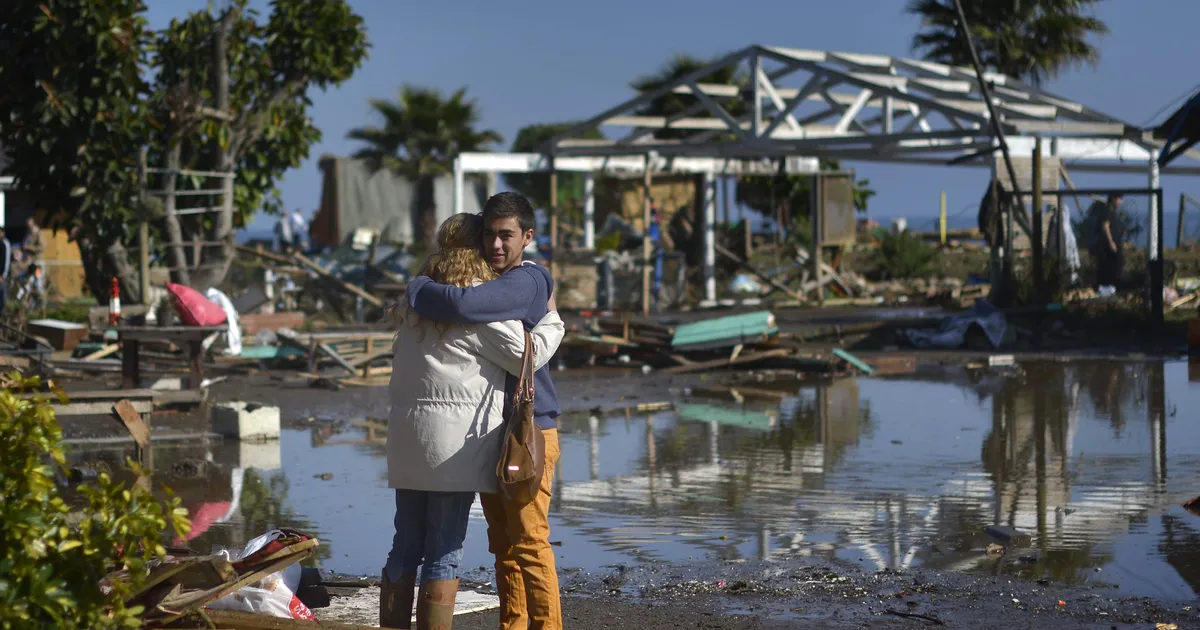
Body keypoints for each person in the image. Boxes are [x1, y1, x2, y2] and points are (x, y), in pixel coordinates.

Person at [383, 212, 564, 630]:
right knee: (444, 551)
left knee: (404, 546)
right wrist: (554, 319)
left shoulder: (414, 305)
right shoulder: (476, 311)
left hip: (406, 445)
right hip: (451, 450)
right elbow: (528, 356)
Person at [1092, 194, 1125, 291]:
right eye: (1119, 199)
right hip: (1108, 246)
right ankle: (1108, 286)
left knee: (1117, 265)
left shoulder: (1113, 211)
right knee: (1111, 266)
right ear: (1114, 199)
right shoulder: (1107, 210)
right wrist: (1111, 242)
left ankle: (1113, 286)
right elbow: (1105, 226)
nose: (1120, 202)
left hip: (1115, 243)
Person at [0, 226, 11, 318]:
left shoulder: (5, 243)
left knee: (2, 298)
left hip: (1, 276)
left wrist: (2, 275)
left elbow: (5, 261)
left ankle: (3, 316)